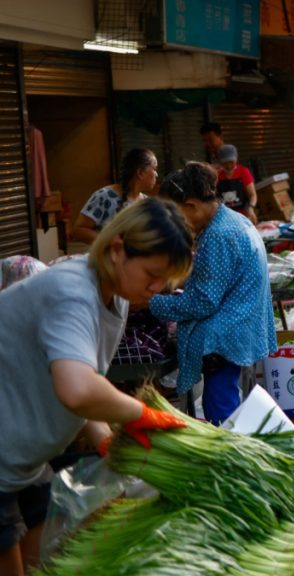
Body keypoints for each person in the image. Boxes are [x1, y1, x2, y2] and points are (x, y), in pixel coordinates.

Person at [0, 198, 193, 576]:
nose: (156, 288)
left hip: (23, 460)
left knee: (49, 563)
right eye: (151, 274)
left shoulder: (115, 296)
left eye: (165, 280)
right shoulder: (73, 292)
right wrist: (144, 414)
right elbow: (77, 389)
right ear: (118, 248)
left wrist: (106, 439)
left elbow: (85, 378)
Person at [151, 162, 277, 424]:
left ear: (192, 205)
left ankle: (232, 461)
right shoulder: (233, 219)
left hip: (225, 337)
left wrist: (149, 303)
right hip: (241, 329)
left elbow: (202, 302)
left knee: (221, 412)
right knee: (227, 405)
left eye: (176, 215)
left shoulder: (217, 235)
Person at [70, 148, 159, 244]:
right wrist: (109, 242)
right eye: (154, 169)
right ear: (140, 173)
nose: (156, 174)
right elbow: (78, 230)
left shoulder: (147, 203)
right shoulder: (105, 196)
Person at [216, 144, 258, 224]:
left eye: (231, 162)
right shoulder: (217, 175)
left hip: (243, 215)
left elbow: (252, 194)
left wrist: (251, 208)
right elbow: (215, 197)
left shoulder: (243, 172)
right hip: (225, 216)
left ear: (236, 159)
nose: (229, 166)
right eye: (225, 163)